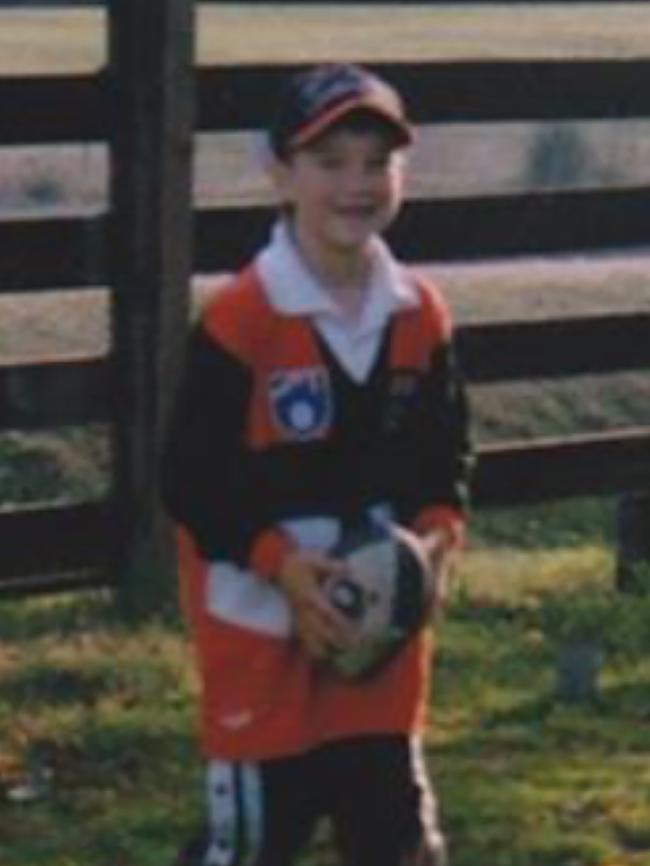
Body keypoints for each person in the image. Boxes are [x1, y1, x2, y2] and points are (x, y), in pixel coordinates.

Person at [161, 62, 472, 866]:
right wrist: (279, 564)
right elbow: (192, 480)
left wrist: (436, 542)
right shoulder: (244, 319)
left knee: (395, 834)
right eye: (330, 162)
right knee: (259, 837)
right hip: (261, 629)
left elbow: (442, 456)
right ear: (280, 173)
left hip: (375, 628)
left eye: (377, 162)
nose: (357, 184)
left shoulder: (420, 315)